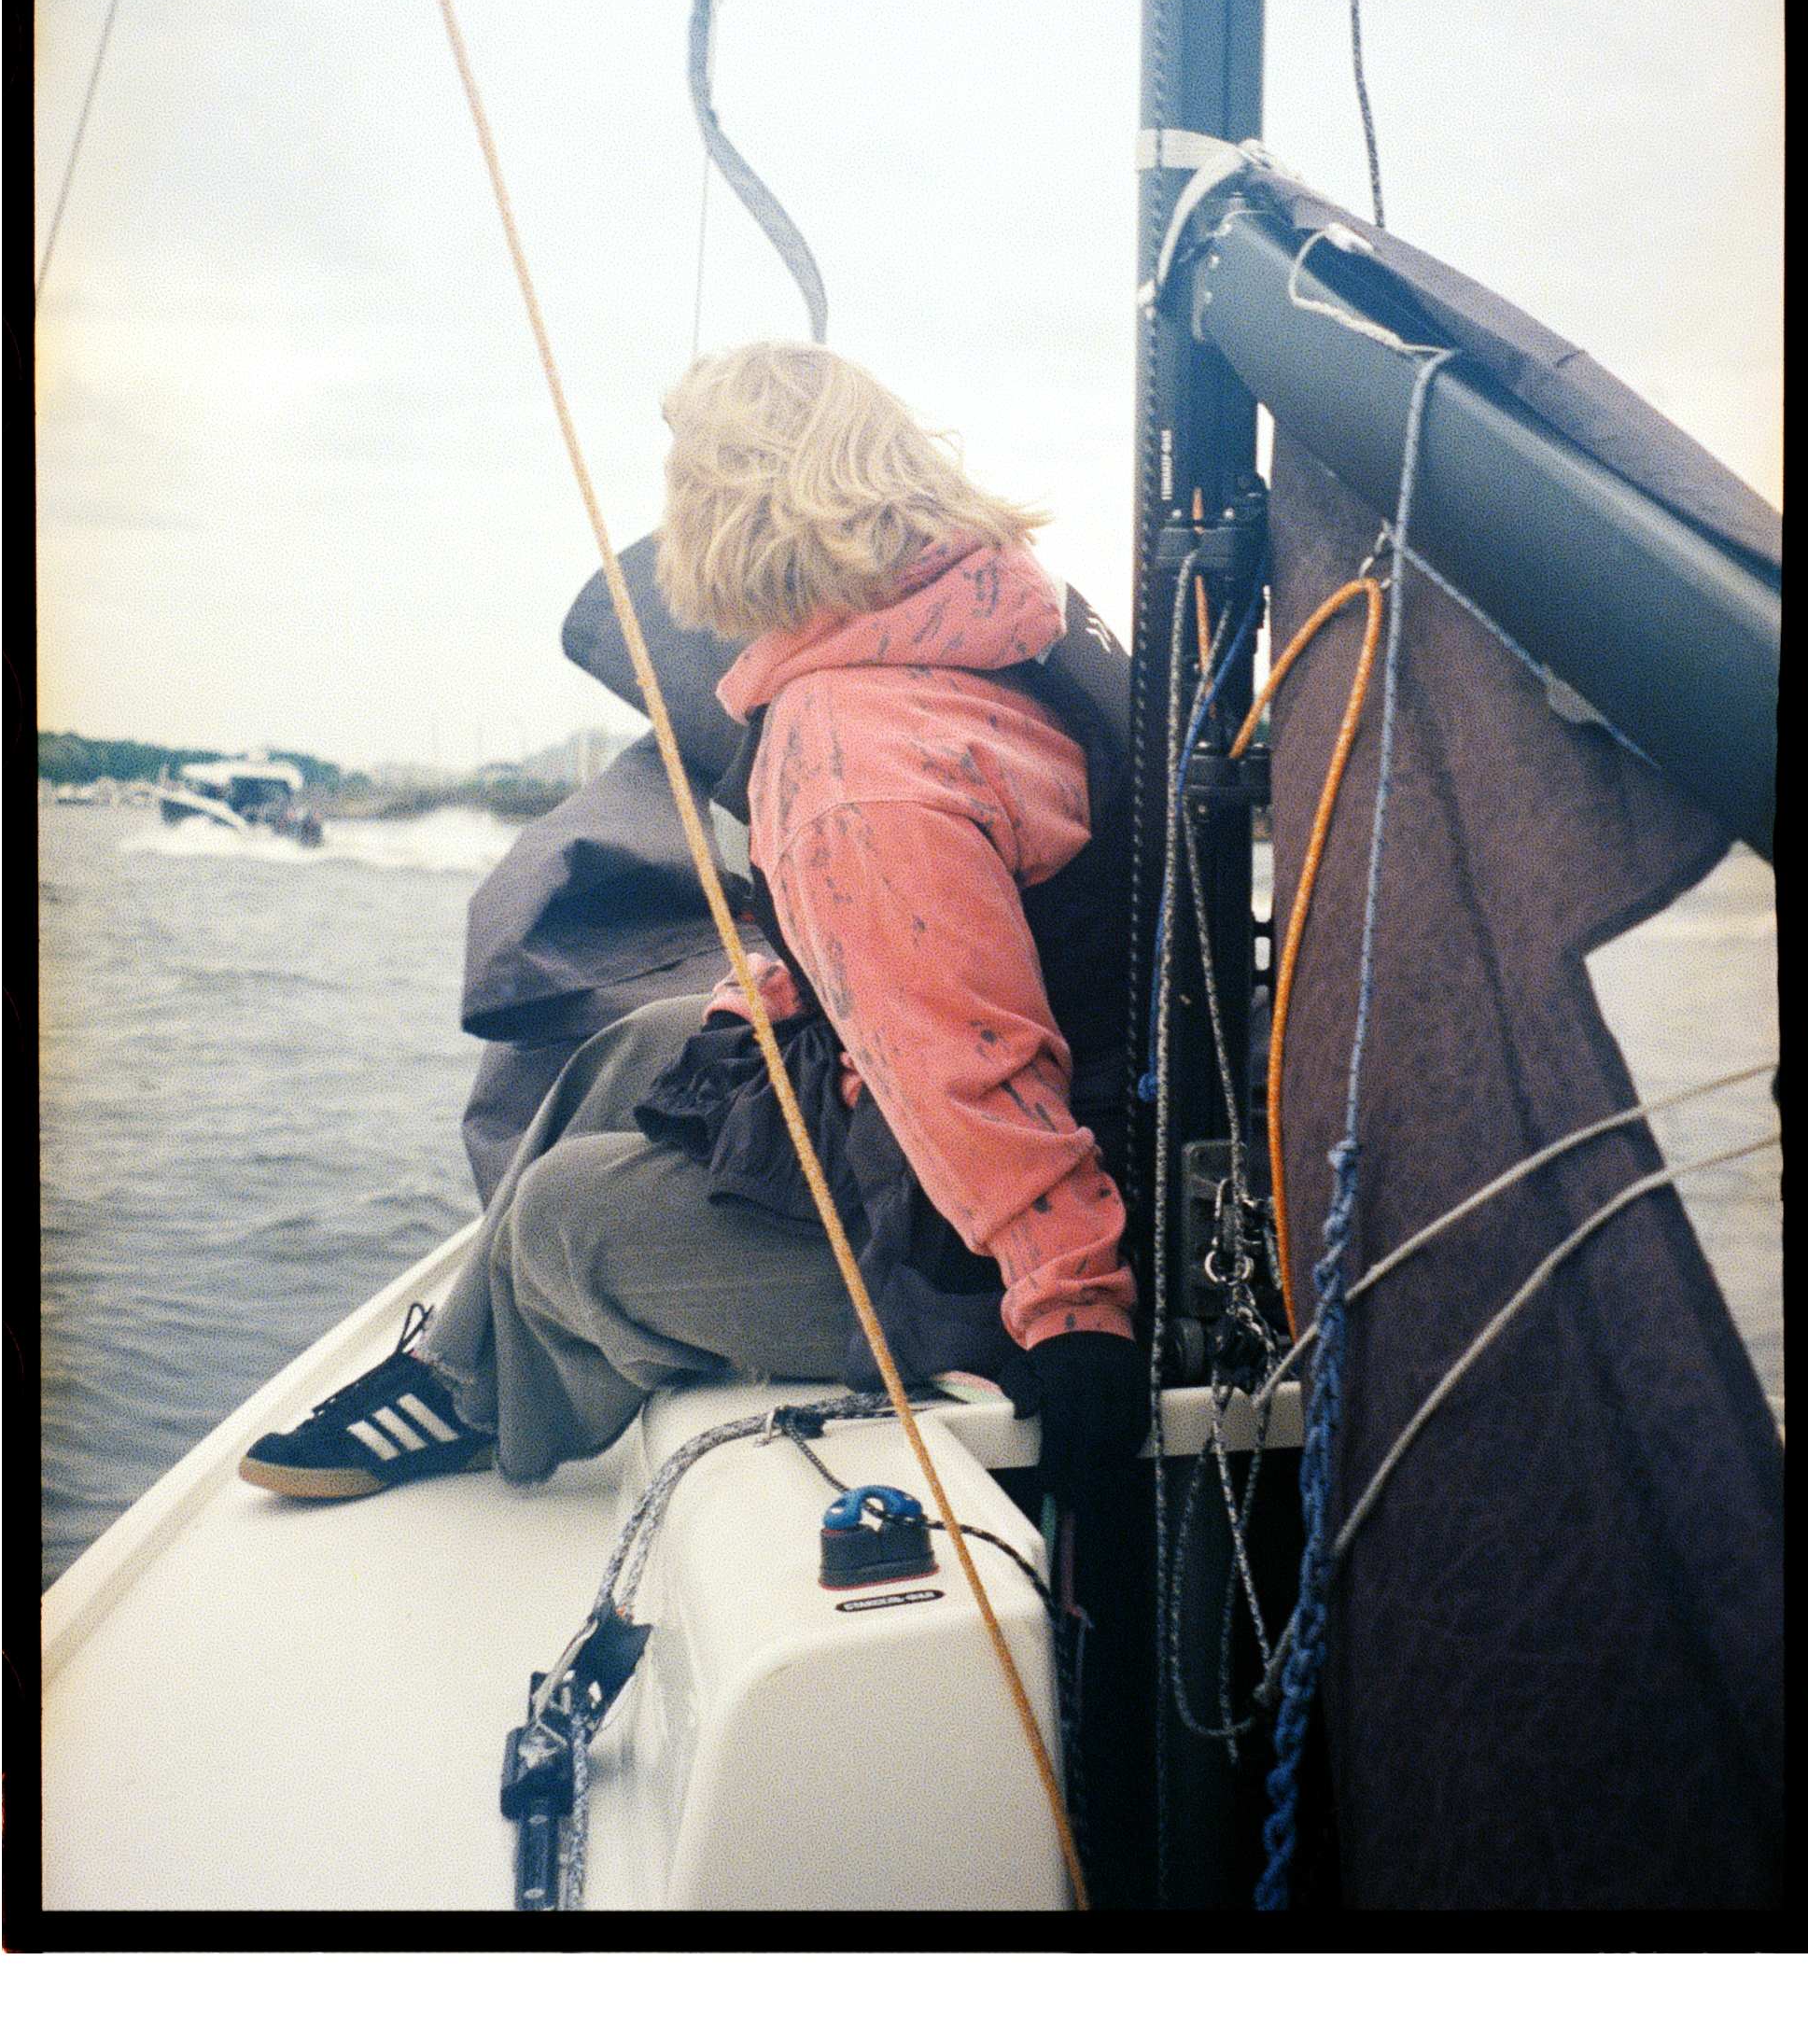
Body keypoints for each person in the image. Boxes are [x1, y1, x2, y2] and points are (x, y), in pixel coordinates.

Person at [239, 343, 1145, 1509]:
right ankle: (455, 1375)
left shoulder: (847, 757)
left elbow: (969, 1062)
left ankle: (485, 1390)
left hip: (993, 1262)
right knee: (642, 1044)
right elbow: (971, 926)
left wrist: (1075, 1309)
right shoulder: (996, 622)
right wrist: (805, 977)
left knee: (563, 1221)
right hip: (1098, 1124)